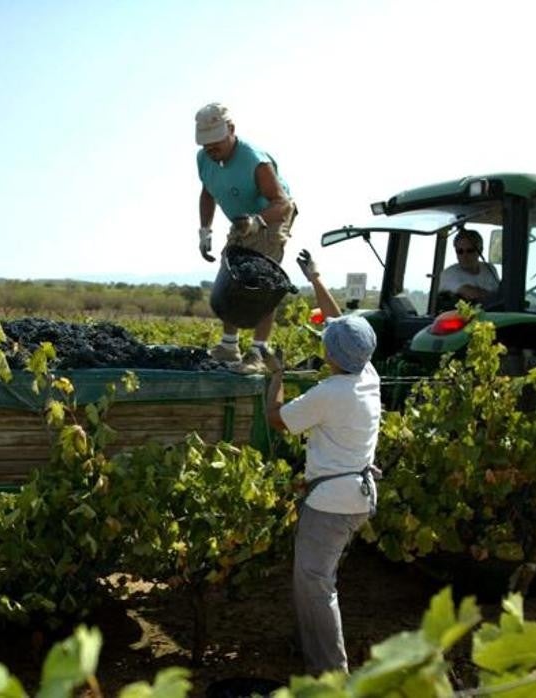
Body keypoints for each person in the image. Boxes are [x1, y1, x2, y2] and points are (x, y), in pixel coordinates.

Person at [265, 250, 380, 676]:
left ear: (332, 356)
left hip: (331, 504)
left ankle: (332, 675)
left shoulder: (330, 393)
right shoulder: (367, 376)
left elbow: (277, 421)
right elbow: (339, 326)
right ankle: (314, 654)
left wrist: (275, 375)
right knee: (319, 580)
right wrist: (314, 278)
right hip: (357, 497)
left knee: (316, 585)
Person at [195, 102, 298, 373]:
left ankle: (258, 353)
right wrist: (205, 230)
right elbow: (207, 192)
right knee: (232, 275)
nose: (211, 149)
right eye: (206, 144)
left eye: (216, 143)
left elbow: (282, 204)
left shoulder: (255, 160)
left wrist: (258, 221)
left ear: (231, 130)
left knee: (262, 283)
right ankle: (229, 346)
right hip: (242, 219)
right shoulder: (204, 158)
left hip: (271, 216)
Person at [438, 228, 499, 302]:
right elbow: (472, 294)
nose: (464, 256)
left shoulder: (490, 269)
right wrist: (493, 296)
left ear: (480, 250)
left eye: (470, 250)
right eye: (460, 251)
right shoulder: (448, 274)